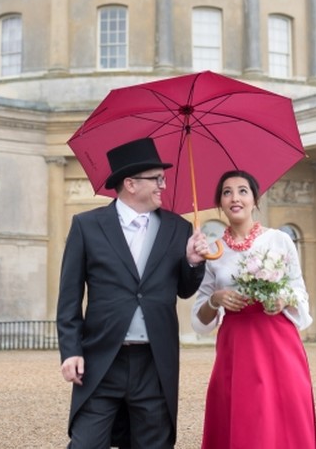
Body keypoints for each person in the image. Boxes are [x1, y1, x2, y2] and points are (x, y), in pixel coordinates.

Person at [58, 137, 210, 449]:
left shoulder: (177, 228)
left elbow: (184, 290)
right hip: (101, 360)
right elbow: (69, 297)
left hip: (154, 362)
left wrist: (194, 263)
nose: (162, 186)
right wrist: (70, 350)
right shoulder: (87, 226)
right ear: (130, 183)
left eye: (162, 179)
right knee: (85, 444)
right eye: (156, 179)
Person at [190, 169, 316, 449]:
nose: (235, 197)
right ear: (220, 203)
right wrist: (216, 299)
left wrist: (283, 298)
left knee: (283, 418)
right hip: (236, 345)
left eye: (242, 191)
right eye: (227, 192)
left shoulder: (279, 240)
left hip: (278, 339)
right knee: (243, 419)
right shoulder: (212, 252)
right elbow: (200, 319)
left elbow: (300, 294)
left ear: (255, 199)